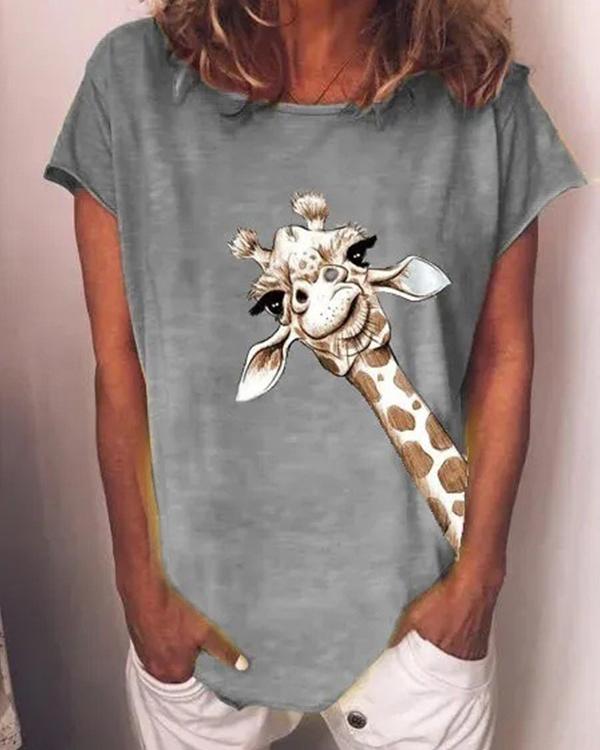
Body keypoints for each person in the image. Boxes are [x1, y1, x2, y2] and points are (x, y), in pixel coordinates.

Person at [43, 1, 586, 748]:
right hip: (198, 633)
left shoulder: (482, 96)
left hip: (420, 633)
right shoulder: (130, 82)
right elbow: (119, 363)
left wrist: (478, 585)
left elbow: (504, 356)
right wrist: (140, 592)